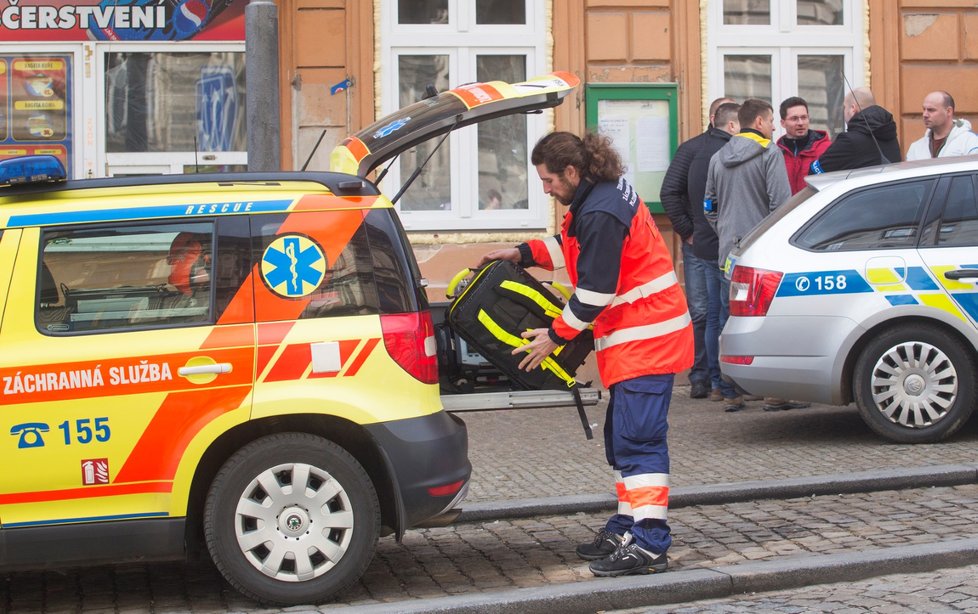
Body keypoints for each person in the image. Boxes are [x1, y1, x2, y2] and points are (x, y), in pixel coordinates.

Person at [480, 132, 693, 577]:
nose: (546, 190)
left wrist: (553, 338)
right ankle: (627, 524)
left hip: (646, 339)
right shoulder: (598, 196)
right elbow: (573, 247)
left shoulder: (599, 210)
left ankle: (651, 542)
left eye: (549, 181)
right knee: (622, 439)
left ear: (572, 172)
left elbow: (595, 291)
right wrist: (522, 253)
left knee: (638, 440)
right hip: (636, 338)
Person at [704, 99, 806, 413]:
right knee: (770, 320)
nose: (775, 127)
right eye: (772, 120)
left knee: (727, 320)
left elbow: (709, 205)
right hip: (763, 255)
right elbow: (782, 207)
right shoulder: (769, 154)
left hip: (728, 255)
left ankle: (728, 390)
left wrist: (724, 231)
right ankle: (774, 392)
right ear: (759, 122)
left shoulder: (719, 157)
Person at [661, 97, 734, 400]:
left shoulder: (740, 149)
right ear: (714, 116)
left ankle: (725, 378)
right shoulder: (692, 149)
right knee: (702, 312)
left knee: (727, 311)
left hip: (727, 244)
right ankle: (700, 375)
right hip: (699, 245)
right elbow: (669, 192)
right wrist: (687, 231)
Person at [810, 87, 901, 173]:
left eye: (845, 107)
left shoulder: (849, 141)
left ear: (853, 109)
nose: (844, 112)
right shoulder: (889, 133)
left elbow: (815, 173)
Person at [776, 96, 831, 194]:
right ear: (783, 123)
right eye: (794, 119)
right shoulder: (776, 154)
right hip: (787, 209)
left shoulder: (826, 148)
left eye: (804, 117)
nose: (800, 123)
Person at [906, 91, 978, 160]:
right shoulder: (916, 148)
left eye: (931, 110)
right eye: (924, 109)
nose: (925, 115)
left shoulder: (970, 142)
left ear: (948, 111)